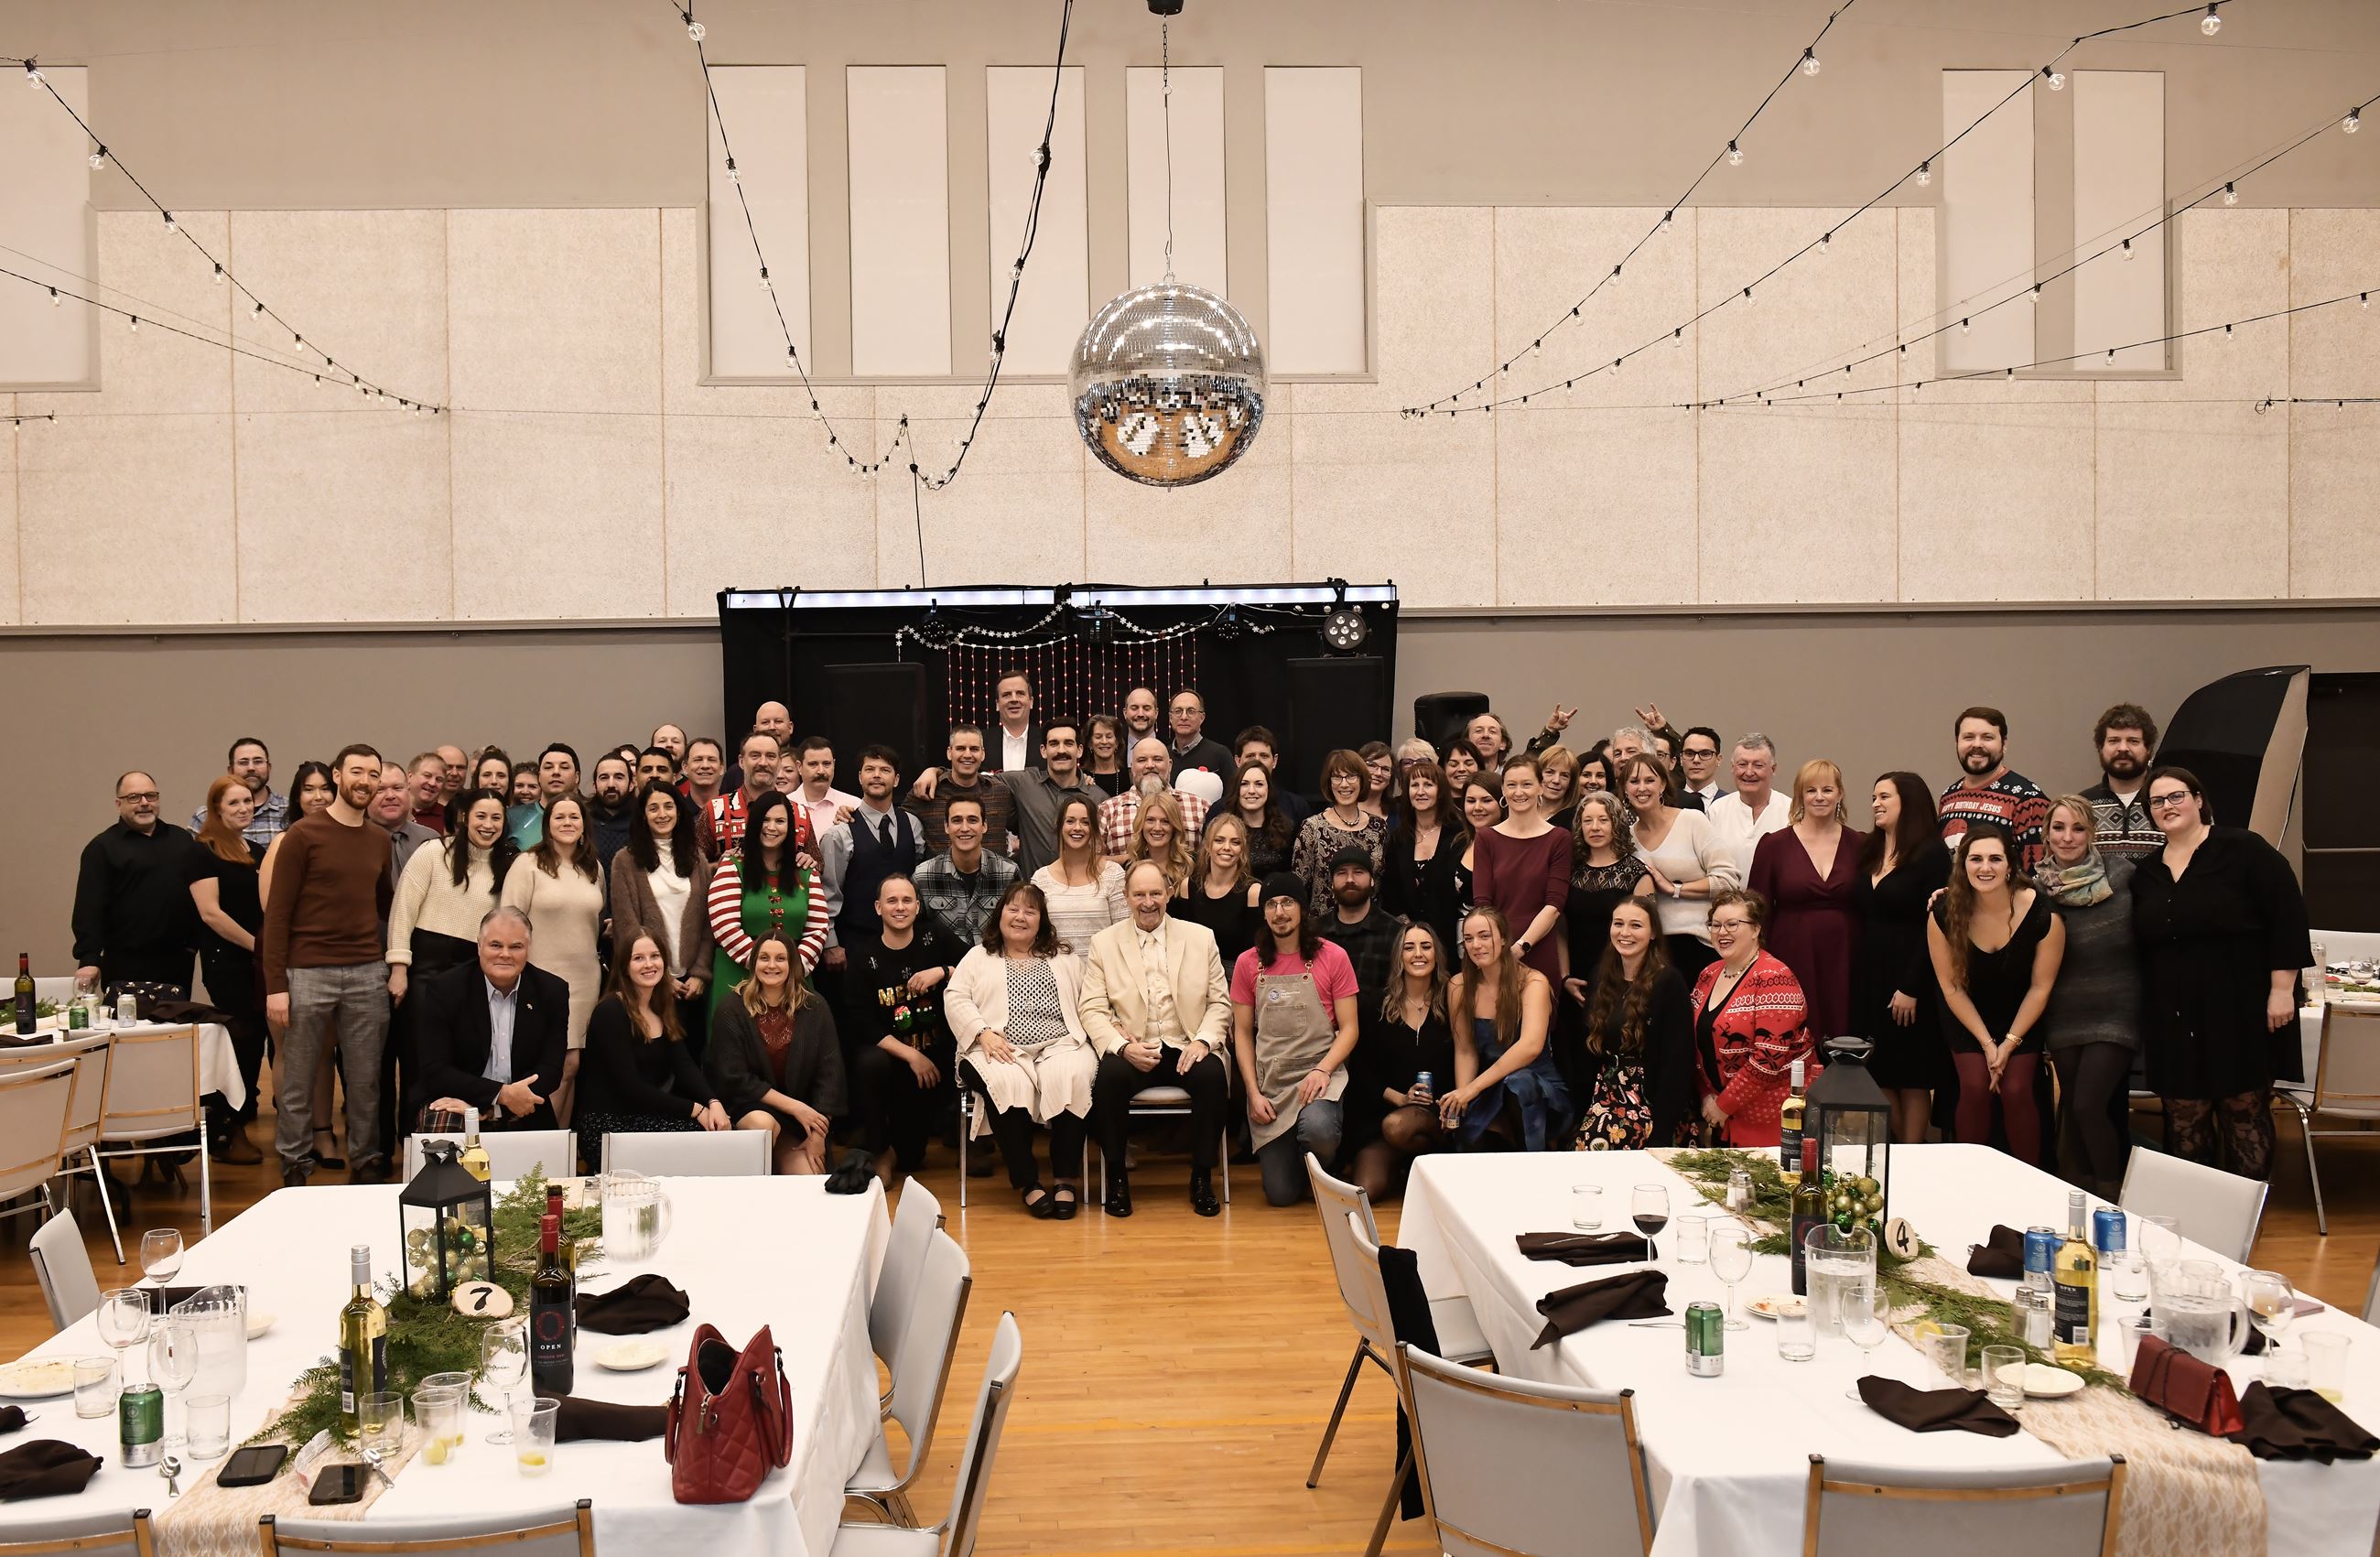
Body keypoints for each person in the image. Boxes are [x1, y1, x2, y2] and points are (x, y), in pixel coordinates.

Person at [2131, 765, 2311, 1181]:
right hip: (2172, 1013)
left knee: (2242, 1108)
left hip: (2238, 1004)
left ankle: (2247, 1212)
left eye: (2176, 796)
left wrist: (2282, 989)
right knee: (2183, 1115)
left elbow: (2287, 916)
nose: (2167, 806)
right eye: (2156, 801)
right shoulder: (2147, 872)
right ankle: (2197, 1216)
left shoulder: (2244, 850)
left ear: (2198, 800)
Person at [261, 744, 395, 1184]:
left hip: (365, 973)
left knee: (365, 1080)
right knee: (298, 1080)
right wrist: (275, 986)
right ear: (337, 776)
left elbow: (384, 906)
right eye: (357, 772)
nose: (365, 781)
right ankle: (295, 1165)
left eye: (373, 775)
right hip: (307, 974)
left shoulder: (378, 839)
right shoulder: (303, 835)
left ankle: (367, 1161)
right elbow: (277, 914)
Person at [1079, 860, 1232, 1216]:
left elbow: (1219, 1002)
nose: (1148, 902)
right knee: (1109, 1079)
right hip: (1135, 1046)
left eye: (1155, 893)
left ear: (1168, 894)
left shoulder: (1200, 936)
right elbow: (1091, 1008)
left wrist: (1203, 1042)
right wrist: (1123, 1047)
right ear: (1126, 897)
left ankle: (1201, 1177)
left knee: (1212, 1077)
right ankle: (1116, 1178)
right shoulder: (1104, 943)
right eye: (1139, 894)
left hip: (1186, 1045)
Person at [947, 881, 1099, 1217]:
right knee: (1007, 1083)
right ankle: (1028, 1182)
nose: (1020, 917)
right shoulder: (978, 956)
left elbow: (1089, 1002)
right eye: (1013, 909)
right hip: (998, 1046)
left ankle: (1064, 1180)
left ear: (1042, 920)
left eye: (1030, 911)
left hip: (1061, 1044)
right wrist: (982, 1032)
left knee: (1072, 1076)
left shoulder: (1065, 959)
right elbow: (955, 997)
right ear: (1000, 914)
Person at [1928, 825, 2064, 1165]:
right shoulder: (1943, 912)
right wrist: (1989, 1045)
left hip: (2021, 1011)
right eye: (1975, 859)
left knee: (2017, 1089)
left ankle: (2031, 1180)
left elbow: (2040, 987)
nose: (1984, 867)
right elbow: (1951, 987)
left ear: (2010, 865)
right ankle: (1971, 1178)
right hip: (1966, 1012)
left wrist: (2008, 1043)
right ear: (1962, 865)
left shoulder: (2042, 914)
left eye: (1994, 859)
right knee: (1975, 1086)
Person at [2036, 795, 2142, 1199]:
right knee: (2074, 1110)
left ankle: (2115, 1199)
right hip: (2063, 1010)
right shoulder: (2035, 886)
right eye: (2059, 828)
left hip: (2117, 1006)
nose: (2068, 837)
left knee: (2087, 1105)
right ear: (2046, 833)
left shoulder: (2123, 874)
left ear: (2092, 833)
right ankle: (2077, 1198)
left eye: (2078, 828)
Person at [1234, 874, 1362, 1206]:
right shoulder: (1249, 964)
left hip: (1319, 1077)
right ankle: (1300, 1163)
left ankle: (1323, 1163)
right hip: (1272, 1084)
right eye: (1272, 904)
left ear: (1303, 910)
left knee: (1318, 1129)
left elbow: (1350, 1029)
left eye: (1287, 903)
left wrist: (1323, 1071)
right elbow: (1243, 1033)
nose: (1280, 912)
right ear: (1263, 913)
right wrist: (1252, 1093)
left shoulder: (1333, 956)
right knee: (1279, 1196)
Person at [1851, 773, 1953, 1143]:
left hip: (1912, 976)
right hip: (1869, 977)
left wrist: (1911, 986)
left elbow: (1937, 925)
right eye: (1873, 797)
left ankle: (1914, 1151)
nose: (1875, 803)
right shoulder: (1869, 850)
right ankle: (1901, 1146)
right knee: (1877, 1071)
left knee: (1911, 1076)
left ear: (1907, 802)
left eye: (1884, 797)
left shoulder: (1932, 854)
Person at [842, 875, 964, 1183]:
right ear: (878, 907)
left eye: (907, 900)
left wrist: (944, 971)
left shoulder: (933, 937)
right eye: (892, 901)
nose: (900, 907)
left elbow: (977, 963)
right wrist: (911, 1055)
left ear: (917, 906)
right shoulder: (863, 955)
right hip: (893, 1062)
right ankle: (879, 1150)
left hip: (935, 1063)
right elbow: (860, 1021)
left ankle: (908, 1146)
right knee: (869, 1062)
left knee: (912, 1159)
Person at [575, 933, 734, 1165]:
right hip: (608, 1126)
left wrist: (713, 1102)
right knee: (702, 1136)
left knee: (722, 1128)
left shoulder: (660, 1007)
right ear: (624, 966)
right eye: (638, 958)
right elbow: (630, 1088)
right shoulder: (611, 1011)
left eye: (655, 956)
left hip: (644, 1115)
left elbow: (684, 1065)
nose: (649, 964)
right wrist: (697, 1110)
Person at [412, 906, 569, 1132]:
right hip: (459, 1103)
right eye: (496, 945)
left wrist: (501, 1105)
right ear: (479, 946)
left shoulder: (552, 991)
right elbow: (435, 1070)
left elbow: (551, 1070)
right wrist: (499, 1096)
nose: (505, 954)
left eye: (516, 947)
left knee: (548, 1165)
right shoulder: (445, 989)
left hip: (524, 1106)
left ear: (528, 949)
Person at [500, 793, 607, 1126]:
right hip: (540, 978)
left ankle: (560, 1142)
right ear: (547, 825)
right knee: (553, 1064)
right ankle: (544, 1144)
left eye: (574, 817)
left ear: (584, 825)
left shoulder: (593, 868)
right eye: (559, 817)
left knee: (573, 1066)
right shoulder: (527, 864)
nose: (567, 823)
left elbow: (595, 922)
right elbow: (508, 921)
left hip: (585, 979)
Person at [706, 931, 844, 1174]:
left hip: (800, 1121)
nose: (772, 965)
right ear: (753, 963)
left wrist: (818, 1135)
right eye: (764, 958)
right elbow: (733, 1078)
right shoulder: (731, 1007)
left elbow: (829, 1076)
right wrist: (795, 1107)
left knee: (808, 1182)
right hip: (750, 1110)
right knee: (764, 1125)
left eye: (780, 959)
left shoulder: (815, 1007)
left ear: (792, 964)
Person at [1747, 758, 1863, 1043]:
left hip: (1847, 955)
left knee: (1844, 1033)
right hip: (1791, 953)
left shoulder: (1862, 844)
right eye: (1811, 790)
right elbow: (1756, 910)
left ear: (1840, 794)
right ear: (1800, 795)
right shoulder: (1774, 845)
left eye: (1827, 789)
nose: (1819, 797)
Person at [1689, 889, 1813, 1149]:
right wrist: (1706, 1097)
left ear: (1756, 929)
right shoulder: (1707, 975)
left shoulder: (1775, 977)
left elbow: (1769, 1058)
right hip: (1723, 1117)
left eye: (1733, 924)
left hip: (1775, 1120)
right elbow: (1695, 1046)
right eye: (1716, 925)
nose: (1722, 932)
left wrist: (1724, 1105)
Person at [1440, 905, 1569, 1150]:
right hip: (1490, 1088)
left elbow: (1529, 1047)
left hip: (1539, 1088)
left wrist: (1472, 1089)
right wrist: (1462, 1097)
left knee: (1519, 1082)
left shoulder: (1533, 982)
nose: (1476, 944)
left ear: (1503, 939)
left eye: (1484, 936)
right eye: (1469, 939)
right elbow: (1465, 1050)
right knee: (1469, 1136)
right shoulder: (1458, 985)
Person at [1574, 898, 1697, 1150]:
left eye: (1636, 925)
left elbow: (1677, 1064)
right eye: (1618, 924)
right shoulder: (1601, 975)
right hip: (1605, 1093)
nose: (1625, 933)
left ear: (1653, 933)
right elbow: (1588, 1052)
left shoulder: (1669, 982)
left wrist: (1662, 1133)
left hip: (1651, 1100)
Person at [1346, 923, 1455, 1200]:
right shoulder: (1377, 1006)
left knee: (1400, 1127)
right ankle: (1406, 1165)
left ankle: (1432, 1160)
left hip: (1440, 1115)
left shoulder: (1453, 1000)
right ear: (1399, 956)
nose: (1418, 954)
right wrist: (1399, 1098)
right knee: (1365, 1192)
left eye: (1426, 946)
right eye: (1409, 947)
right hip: (1387, 1117)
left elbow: (1467, 1055)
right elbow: (1360, 1066)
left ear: (1437, 954)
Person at [188, 776, 266, 1162]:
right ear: (216, 808)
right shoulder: (203, 851)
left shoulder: (256, 850)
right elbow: (210, 913)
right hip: (228, 962)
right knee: (241, 1041)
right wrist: (258, 946)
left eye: (248, 801)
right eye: (234, 803)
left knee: (254, 1045)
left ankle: (240, 1122)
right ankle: (225, 1131)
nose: (243, 808)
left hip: (259, 962)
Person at [73, 769, 200, 995]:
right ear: (118, 804)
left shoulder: (181, 840)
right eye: (133, 797)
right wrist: (89, 958)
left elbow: (198, 896)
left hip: (177, 962)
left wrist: (193, 946)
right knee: (129, 1030)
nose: (144, 803)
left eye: (150, 796)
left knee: (175, 1029)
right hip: (125, 964)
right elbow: (89, 909)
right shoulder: (101, 848)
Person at [707, 789, 828, 1021]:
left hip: (794, 976)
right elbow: (724, 925)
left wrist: (793, 968)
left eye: (780, 821)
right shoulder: (732, 866)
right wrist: (765, 965)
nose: (772, 827)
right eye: (765, 819)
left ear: (790, 827)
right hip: (738, 976)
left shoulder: (804, 871)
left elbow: (818, 928)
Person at [609, 781, 714, 1047]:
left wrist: (700, 973)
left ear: (679, 812)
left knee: (693, 1059)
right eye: (653, 808)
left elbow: (707, 923)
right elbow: (626, 925)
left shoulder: (697, 859)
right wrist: (661, 975)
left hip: (691, 986)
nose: (662, 814)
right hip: (648, 982)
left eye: (669, 806)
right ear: (643, 815)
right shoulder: (625, 861)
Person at [1625, 753, 1737, 980]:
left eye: (1649, 780)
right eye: (1634, 781)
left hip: (1699, 943)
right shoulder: (1627, 838)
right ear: (1624, 789)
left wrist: (1674, 888)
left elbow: (1728, 880)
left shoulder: (1692, 821)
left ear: (1663, 784)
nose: (1642, 788)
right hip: (1653, 950)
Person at [1467, 752, 1574, 990]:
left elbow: (1554, 905)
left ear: (1540, 788)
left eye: (1526, 784)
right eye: (1512, 785)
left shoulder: (1559, 838)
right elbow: (1482, 903)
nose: (1519, 792)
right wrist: (1498, 948)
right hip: (1494, 947)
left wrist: (1521, 946)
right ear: (1503, 790)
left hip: (1539, 945)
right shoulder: (1487, 838)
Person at [817, 746, 923, 968]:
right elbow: (828, 892)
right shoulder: (839, 833)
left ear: (896, 780)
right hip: (854, 945)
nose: (876, 775)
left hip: (906, 943)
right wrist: (831, 943)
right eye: (869, 769)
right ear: (860, 777)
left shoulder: (913, 825)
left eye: (885, 770)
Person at [1561, 790, 1651, 1018]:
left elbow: (1647, 936)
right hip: (1575, 978)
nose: (1595, 827)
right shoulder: (1569, 870)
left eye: (1603, 820)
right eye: (1587, 821)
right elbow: (1559, 927)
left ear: (1617, 823)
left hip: (1621, 980)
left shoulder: (1637, 873)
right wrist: (1564, 977)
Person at [1938, 707, 2051, 872]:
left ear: (2004, 744)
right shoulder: (1948, 797)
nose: (1977, 744)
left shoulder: (2028, 799)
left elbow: (2038, 874)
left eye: (1987, 737)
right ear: (1957, 742)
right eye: (1968, 737)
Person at [1000, 721, 1107, 876]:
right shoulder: (1023, 784)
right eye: (1054, 744)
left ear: (1080, 750)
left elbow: (1104, 854)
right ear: (1044, 750)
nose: (1061, 750)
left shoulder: (1099, 799)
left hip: (1081, 893)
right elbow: (980, 781)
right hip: (1033, 895)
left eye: (1068, 743)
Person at [1291, 750, 1388, 919]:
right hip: (1323, 931)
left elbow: (1386, 883)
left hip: (1371, 928)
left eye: (1351, 776)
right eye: (1337, 777)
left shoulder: (1378, 827)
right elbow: (1298, 888)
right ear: (1329, 783)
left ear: (1362, 780)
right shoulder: (1312, 828)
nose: (1344, 784)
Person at [1033, 796, 1128, 966]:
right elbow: (1037, 939)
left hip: (1103, 977)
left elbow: (1125, 934)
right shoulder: (1041, 879)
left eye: (1085, 822)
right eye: (1070, 821)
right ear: (1059, 825)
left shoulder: (1113, 874)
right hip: (1056, 979)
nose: (1077, 828)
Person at [914, 795, 1022, 944]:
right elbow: (914, 934)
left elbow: (1019, 929)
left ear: (984, 826)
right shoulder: (923, 876)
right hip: (945, 966)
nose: (964, 828)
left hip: (994, 963)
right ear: (946, 826)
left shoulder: (1008, 873)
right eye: (957, 820)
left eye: (972, 820)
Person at [1381, 759, 1464, 951]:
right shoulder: (1398, 838)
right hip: (1409, 940)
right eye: (1414, 785)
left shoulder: (1458, 835)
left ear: (1441, 791)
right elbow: (1390, 892)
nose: (1420, 791)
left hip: (1450, 938)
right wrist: (1410, 928)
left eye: (1428, 785)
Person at [1318, 845, 1404, 1012]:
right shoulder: (1314, 933)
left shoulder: (1395, 933)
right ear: (1332, 883)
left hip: (1379, 1031)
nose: (1350, 879)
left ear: (1372, 880)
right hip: (1324, 1033)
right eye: (1342, 873)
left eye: (1358, 872)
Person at [1098, 738, 1212, 858]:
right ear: (1132, 768)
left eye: (1157, 759)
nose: (1150, 765)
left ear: (1170, 765)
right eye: (1142, 760)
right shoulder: (1107, 811)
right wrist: (1131, 860)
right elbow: (1092, 863)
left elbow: (1210, 860)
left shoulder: (1200, 807)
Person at [914, 726, 1015, 856]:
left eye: (974, 749)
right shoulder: (928, 789)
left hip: (995, 875)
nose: (967, 755)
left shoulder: (1000, 792)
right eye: (960, 748)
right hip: (940, 875)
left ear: (982, 754)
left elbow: (1026, 829)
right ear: (949, 752)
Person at [2082, 702, 2163, 861]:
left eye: (2133, 741)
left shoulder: (2170, 801)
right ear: (2101, 748)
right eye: (2114, 741)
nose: (2123, 748)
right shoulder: (2083, 805)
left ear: (2148, 749)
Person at [1183, 813, 1261, 972]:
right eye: (1219, 840)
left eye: (1235, 842)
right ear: (1208, 845)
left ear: (1242, 850)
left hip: (1236, 975)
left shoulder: (1253, 892)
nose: (1227, 847)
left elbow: (1254, 953)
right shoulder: (1188, 886)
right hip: (1194, 970)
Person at [704, 731, 796, 863]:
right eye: (755, 756)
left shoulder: (799, 812)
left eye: (770, 756)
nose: (763, 763)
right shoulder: (714, 810)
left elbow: (819, 866)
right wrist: (720, 866)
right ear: (741, 761)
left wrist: (808, 860)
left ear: (780, 762)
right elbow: (693, 869)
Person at [1706, 733, 1790, 880]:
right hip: (1726, 901)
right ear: (1732, 767)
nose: (1749, 772)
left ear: (1773, 769)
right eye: (1742, 764)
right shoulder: (1716, 811)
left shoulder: (1791, 811)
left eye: (1758, 765)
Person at [189, 737, 288, 845]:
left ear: (269, 768)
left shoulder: (290, 810)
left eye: (258, 761)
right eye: (243, 762)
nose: (251, 768)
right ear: (230, 770)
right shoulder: (205, 816)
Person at [1222, 761, 1296, 880]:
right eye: (1244, 784)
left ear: (1268, 789)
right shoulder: (1223, 829)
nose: (1251, 791)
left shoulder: (1286, 829)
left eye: (1259, 784)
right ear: (1237, 790)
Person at [786, 735, 860, 849]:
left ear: (834, 765)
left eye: (826, 764)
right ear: (799, 767)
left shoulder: (854, 805)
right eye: (813, 764)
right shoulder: (784, 805)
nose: (821, 771)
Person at [1121, 788, 1196, 901]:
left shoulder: (1192, 866)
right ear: (1141, 824)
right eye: (1150, 820)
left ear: (1174, 826)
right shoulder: (1129, 868)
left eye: (1165, 821)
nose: (1157, 828)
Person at [372, 760, 439, 884]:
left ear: (408, 791)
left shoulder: (432, 840)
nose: (390, 796)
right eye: (380, 790)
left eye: (397, 788)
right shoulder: (355, 840)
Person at [1232, 727, 1311, 823]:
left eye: (1264, 756)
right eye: (1250, 756)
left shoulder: (1297, 807)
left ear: (1274, 761)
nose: (1257, 761)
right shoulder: (1221, 809)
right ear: (1238, 761)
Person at [1453, 773, 1501, 928]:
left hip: (1504, 935)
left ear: (1503, 802)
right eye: (1471, 801)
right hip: (1459, 938)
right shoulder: (1457, 843)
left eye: (1486, 800)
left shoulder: (1515, 845)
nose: (1477, 808)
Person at [986, 669, 1046, 775]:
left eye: (1020, 693)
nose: (1014, 699)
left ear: (1031, 702)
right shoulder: (980, 742)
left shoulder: (1047, 740)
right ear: (997, 704)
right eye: (1006, 695)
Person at [1165, 690, 1235, 782]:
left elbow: (1233, 794)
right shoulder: (1163, 755)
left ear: (1202, 718)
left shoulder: (1220, 754)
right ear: (1170, 718)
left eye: (1191, 711)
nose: (1184, 717)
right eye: (1178, 711)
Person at [586, 752, 638, 863]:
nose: (611, 784)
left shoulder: (643, 820)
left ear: (631, 784)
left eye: (619, 777)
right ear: (594, 786)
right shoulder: (582, 820)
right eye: (604, 778)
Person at [1678, 727, 1726, 807]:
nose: (1696, 760)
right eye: (1689, 753)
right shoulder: (1667, 803)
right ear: (1681, 759)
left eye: (1705, 754)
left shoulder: (1731, 804)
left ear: (1718, 759)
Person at [1536, 746, 1580, 832]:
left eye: (1564, 775)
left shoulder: (1575, 819)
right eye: (1550, 772)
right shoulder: (1522, 811)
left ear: (1571, 783)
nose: (1556, 780)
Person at [684, 737, 727, 823]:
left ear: (721, 768)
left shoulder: (736, 811)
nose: (705, 766)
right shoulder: (676, 813)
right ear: (685, 767)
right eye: (698, 760)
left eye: (712, 760)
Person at [406, 751, 449, 835]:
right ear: (409, 776)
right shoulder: (394, 810)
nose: (432, 783)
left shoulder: (448, 818)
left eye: (439, 779)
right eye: (427, 775)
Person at [1085, 714, 1127, 789]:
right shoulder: (1082, 777)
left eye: (1109, 736)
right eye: (1098, 737)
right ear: (1090, 743)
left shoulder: (1128, 775)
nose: (1104, 741)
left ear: (1117, 742)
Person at [1465, 712, 1512, 777]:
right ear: (1467, 741)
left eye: (1492, 731)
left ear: (1502, 743)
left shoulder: (1511, 778)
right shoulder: (1458, 778)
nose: (1486, 735)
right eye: (1478, 731)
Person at [1358, 741, 1396, 822]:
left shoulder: (1399, 815)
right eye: (1372, 765)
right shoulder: (1340, 809)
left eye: (1385, 769)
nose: (1379, 773)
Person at [1120, 687, 1163, 751]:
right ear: (1125, 713)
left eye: (1146, 708)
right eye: (1134, 708)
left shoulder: (1169, 749)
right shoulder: (1114, 750)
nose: (1140, 714)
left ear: (1156, 713)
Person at [435, 744, 470, 809]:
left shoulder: (474, 803)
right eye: (448, 767)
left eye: (460, 768)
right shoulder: (420, 804)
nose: (454, 773)